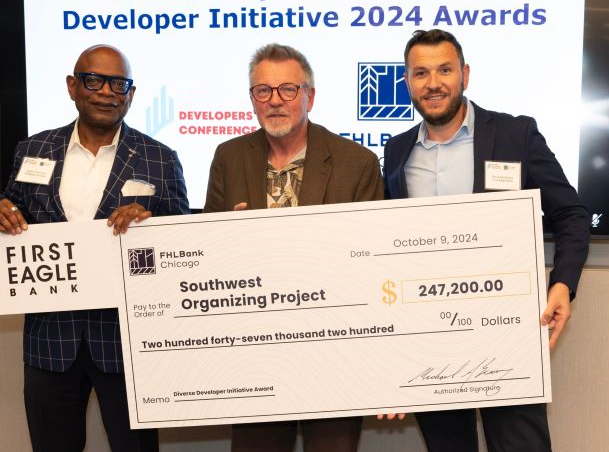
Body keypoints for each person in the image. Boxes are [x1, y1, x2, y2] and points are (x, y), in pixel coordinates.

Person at [382, 29, 590, 452]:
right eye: (421, 73)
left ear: (465, 75)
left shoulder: (516, 134)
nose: (433, 83)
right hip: (429, 340)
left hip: (507, 332)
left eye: (445, 70)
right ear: (407, 82)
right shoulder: (397, 151)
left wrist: (562, 285)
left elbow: (571, 214)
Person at [0, 45, 189, 452]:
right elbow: (11, 211)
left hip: (129, 345)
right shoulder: (32, 150)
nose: (106, 92)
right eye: (94, 80)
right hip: (49, 342)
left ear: (131, 94)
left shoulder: (160, 159)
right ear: (73, 86)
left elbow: (182, 245)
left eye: (118, 84)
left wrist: (151, 227)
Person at [204, 43, 383, 452]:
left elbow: (372, 267)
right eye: (262, 91)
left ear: (309, 97)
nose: (275, 101)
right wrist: (227, 242)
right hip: (254, 356)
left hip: (334, 355)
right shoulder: (228, 157)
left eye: (288, 89)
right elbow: (206, 255)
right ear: (252, 99)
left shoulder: (356, 162)